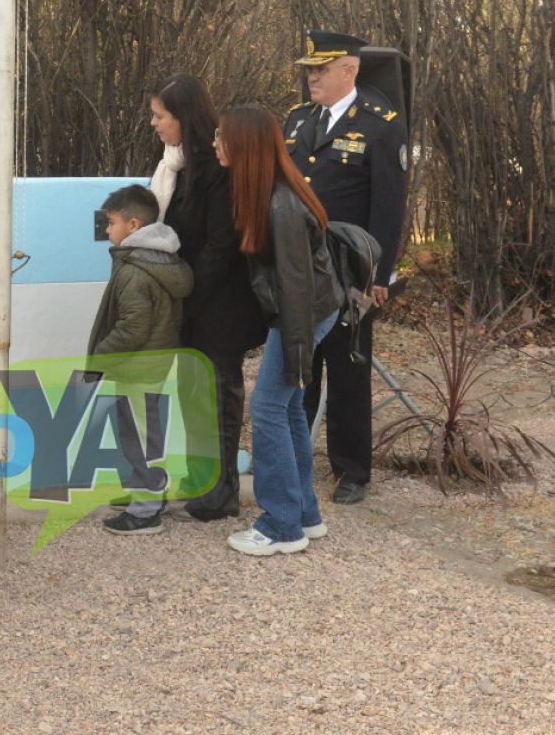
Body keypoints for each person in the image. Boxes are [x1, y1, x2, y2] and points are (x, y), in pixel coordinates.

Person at [285, 30, 408, 505]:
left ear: (349, 70)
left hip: (350, 269)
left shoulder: (380, 125)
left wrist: (378, 278)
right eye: (309, 69)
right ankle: (295, 455)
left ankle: (352, 469)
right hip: (302, 267)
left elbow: (388, 208)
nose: (311, 77)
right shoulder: (297, 121)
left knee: (348, 366)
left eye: (321, 69)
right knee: (301, 366)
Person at [216, 105, 343, 557]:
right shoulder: (267, 192)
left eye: (222, 136)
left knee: (269, 408)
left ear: (244, 145)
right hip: (297, 315)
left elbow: (295, 287)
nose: (216, 143)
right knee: (286, 410)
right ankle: (305, 514)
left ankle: (281, 526)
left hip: (301, 317)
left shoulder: (281, 204)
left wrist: (295, 352)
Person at [146, 74, 266, 522]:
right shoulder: (170, 164)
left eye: (161, 116)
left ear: (184, 117)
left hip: (218, 305)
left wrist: (186, 291)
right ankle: (201, 481)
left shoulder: (217, 166)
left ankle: (220, 493)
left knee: (217, 396)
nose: (154, 124)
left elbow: (222, 243)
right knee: (192, 394)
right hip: (186, 300)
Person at [89, 184, 193, 536]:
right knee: (141, 434)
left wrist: (98, 356)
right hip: (151, 364)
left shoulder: (135, 269)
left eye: (111, 223)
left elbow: (132, 328)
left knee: (142, 437)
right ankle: (145, 492)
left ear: (133, 225)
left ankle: (146, 512)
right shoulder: (157, 261)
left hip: (138, 366)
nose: (107, 230)